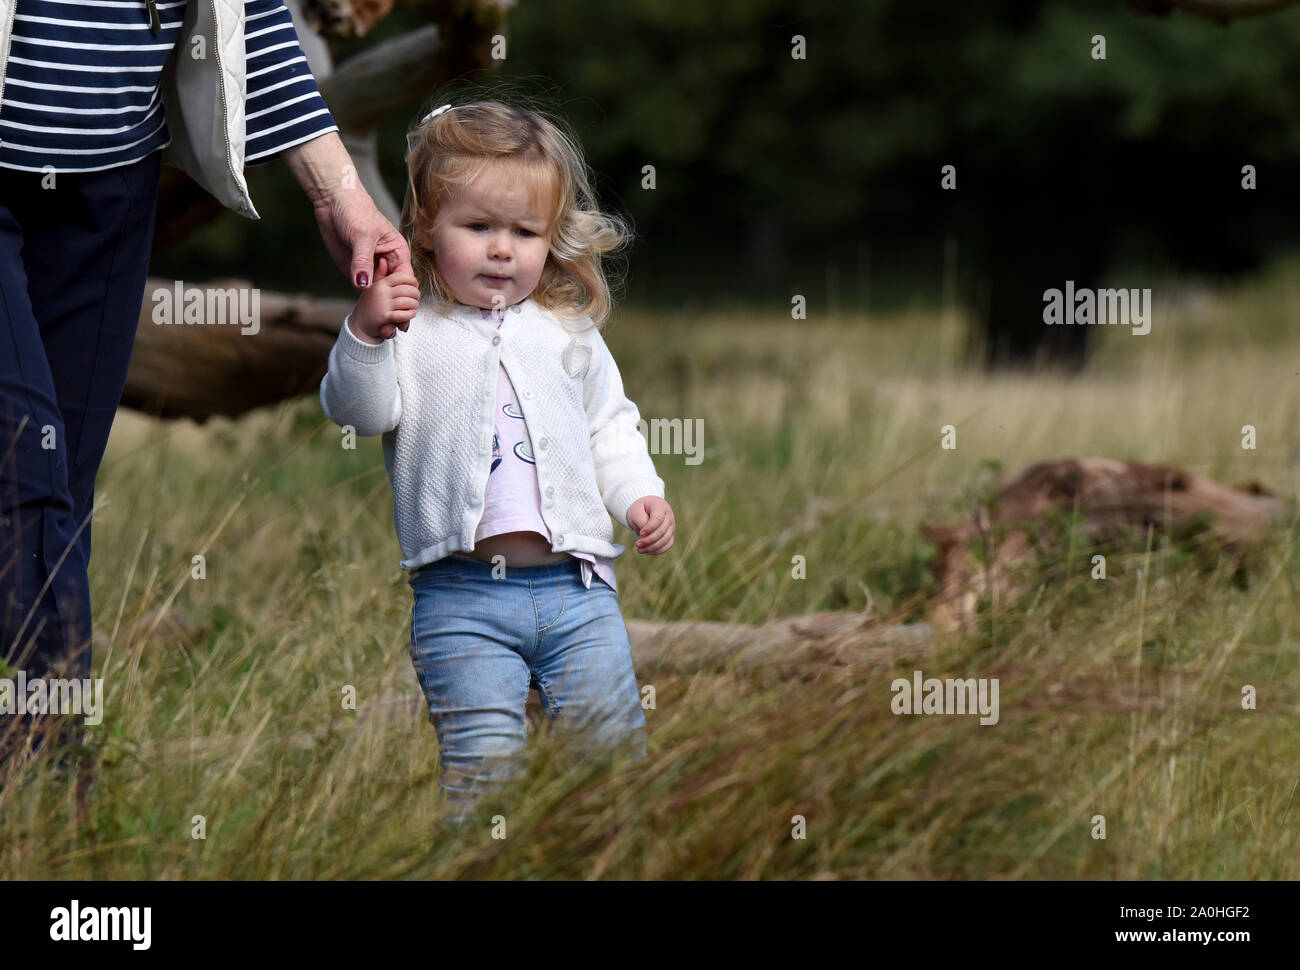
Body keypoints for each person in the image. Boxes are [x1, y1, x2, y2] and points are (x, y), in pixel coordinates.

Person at [0, 0, 414, 770]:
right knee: (21, 469)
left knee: (62, 490)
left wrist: (338, 194)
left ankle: (38, 797)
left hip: (109, 187)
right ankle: (50, 777)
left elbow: (244, 13)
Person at [318, 100, 676, 827]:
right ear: (425, 226)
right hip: (462, 599)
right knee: (483, 779)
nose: (502, 250)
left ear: (552, 239)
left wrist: (638, 494)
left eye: (524, 232)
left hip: (579, 594)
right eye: (478, 228)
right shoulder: (412, 327)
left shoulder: (565, 329)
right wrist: (365, 330)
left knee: (610, 767)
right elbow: (359, 410)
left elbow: (609, 423)